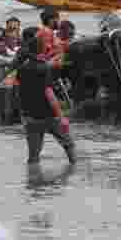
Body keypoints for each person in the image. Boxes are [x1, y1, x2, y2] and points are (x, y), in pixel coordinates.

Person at [17, 27, 75, 165]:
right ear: (42, 50)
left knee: (33, 155)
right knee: (68, 145)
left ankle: (33, 182)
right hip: (48, 115)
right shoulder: (44, 68)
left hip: (29, 116)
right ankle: (74, 170)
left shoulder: (23, 67)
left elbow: (19, 89)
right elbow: (49, 93)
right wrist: (62, 117)